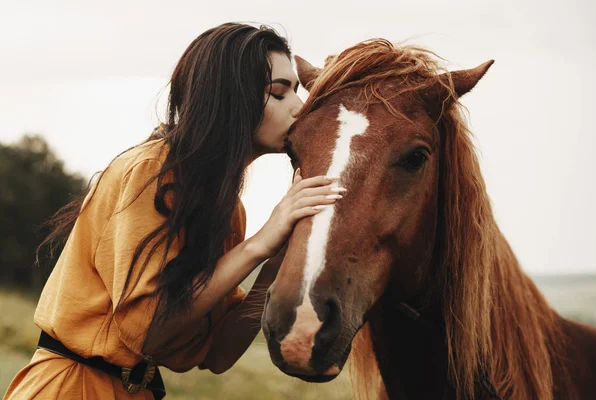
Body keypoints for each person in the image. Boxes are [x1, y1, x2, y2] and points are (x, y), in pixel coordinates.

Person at [3, 22, 344, 399]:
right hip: (72, 388)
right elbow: (146, 329)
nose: (300, 107)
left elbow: (218, 354)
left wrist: (277, 259)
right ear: (228, 97)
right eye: (278, 93)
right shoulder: (152, 171)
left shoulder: (229, 211)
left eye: (296, 90)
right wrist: (259, 243)